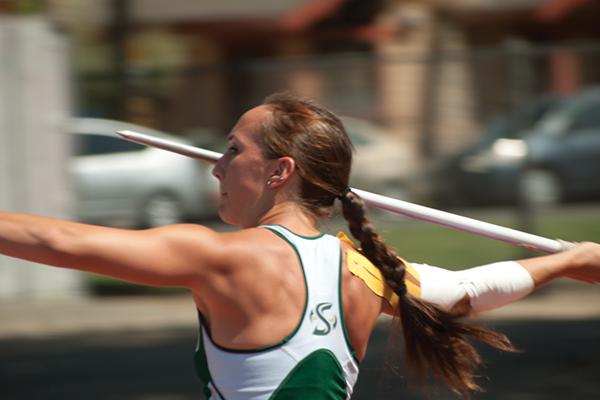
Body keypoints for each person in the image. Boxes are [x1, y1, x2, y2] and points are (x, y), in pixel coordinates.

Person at [0, 92, 599, 400]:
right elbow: (470, 290)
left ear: (280, 171)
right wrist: (571, 261)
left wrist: (570, 259)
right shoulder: (364, 269)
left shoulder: (222, 257)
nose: (218, 168)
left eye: (234, 150)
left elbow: (57, 239)